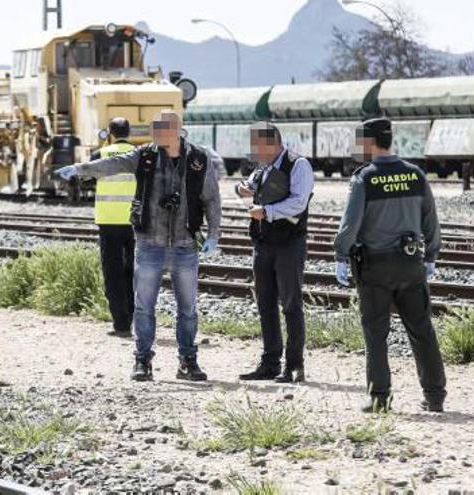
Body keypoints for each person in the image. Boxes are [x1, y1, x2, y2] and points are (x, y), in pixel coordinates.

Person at [55, 110, 221, 382]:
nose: (155, 132)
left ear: (177, 130)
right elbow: (114, 164)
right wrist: (80, 170)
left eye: (161, 127)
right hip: (149, 244)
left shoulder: (198, 159)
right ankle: (142, 359)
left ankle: (187, 360)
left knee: (188, 309)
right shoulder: (145, 155)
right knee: (144, 307)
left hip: (184, 245)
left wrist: (213, 234)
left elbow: (212, 199)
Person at [333, 116, 446, 413]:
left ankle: (380, 398)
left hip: (375, 268)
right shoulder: (415, 175)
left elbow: (350, 225)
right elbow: (430, 220)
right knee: (422, 331)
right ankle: (435, 396)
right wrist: (431, 255)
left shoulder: (365, 178)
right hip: (411, 265)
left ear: (369, 143)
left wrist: (341, 255)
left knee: (376, 333)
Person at [236, 123, 314, 384]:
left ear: (270, 144)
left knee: (291, 305)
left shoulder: (298, 165)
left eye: (255, 145)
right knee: (265, 304)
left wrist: (267, 212)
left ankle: (294, 366)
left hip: (289, 244)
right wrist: (242, 190)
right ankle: (269, 364)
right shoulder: (263, 168)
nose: (252, 151)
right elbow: (247, 185)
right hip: (263, 244)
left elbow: (298, 203)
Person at [90, 117, 137, 336]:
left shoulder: (100, 155)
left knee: (113, 272)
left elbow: (85, 179)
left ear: (110, 132)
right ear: (129, 133)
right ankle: (135, 318)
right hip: (135, 223)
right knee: (133, 272)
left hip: (108, 222)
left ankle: (121, 324)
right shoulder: (139, 155)